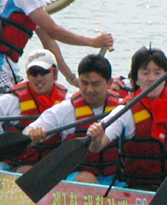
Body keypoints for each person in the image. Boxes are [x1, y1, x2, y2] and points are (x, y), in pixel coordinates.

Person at [84, 47, 167, 191]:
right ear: (136, 79)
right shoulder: (125, 111)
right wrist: (95, 138)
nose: (152, 78)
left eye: (158, 73)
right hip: (136, 189)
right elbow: (96, 147)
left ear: (166, 78)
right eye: (145, 73)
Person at [0, 50, 68, 173]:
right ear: (27, 76)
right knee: (27, 171)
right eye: (33, 73)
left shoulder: (67, 100)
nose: (38, 78)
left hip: (55, 164)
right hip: (21, 165)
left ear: (55, 73)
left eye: (43, 72)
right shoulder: (12, 100)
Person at [24, 53, 123, 185]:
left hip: (115, 177)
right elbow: (28, 130)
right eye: (84, 83)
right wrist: (32, 134)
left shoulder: (122, 108)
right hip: (77, 177)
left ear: (109, 83)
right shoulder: (66, 109)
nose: (89, 90)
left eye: (95, 84)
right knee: (87, 179)